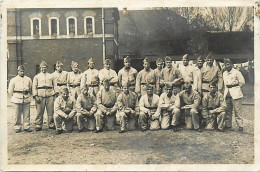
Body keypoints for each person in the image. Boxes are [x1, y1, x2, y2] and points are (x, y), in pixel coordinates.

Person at [33, 61, 58, 131]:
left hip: (50, 95)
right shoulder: (37, 77)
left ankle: (51, 124)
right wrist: (35, 96)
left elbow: (55, 86)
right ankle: (38, 124)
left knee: (51, 111)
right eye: (42, 68)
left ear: (47, 68)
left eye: (45, 67)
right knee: (39, 111)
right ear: (40, 68)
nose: (43, 69)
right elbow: (34, 87)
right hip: (40, 95)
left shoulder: (51, 76)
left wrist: (55, 94)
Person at [8, 65, 33, 133]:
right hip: (17, 98)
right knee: (17, 114)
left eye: (23, 71)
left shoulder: (28, 79)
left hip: (26, 97)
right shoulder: (13, 80)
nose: (22, 73)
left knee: (26, 114)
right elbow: (10, 90)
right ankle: (17, 126)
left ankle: (26, 126)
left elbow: (31, 88)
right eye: (20, 71)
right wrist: (15, 96)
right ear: (18, 71)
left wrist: (28, 94)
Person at [223, 58, 245, 131]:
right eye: (226, 64)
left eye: (228, 64)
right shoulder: (224, 73)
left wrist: (236, 88)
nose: (227, 66)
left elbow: (242, 82)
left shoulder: (236, 72)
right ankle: (228, 125)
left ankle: (240, 125)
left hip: (236, 94)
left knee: (237, 110)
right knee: (228, 110)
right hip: (227, 94)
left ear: (231, 65)